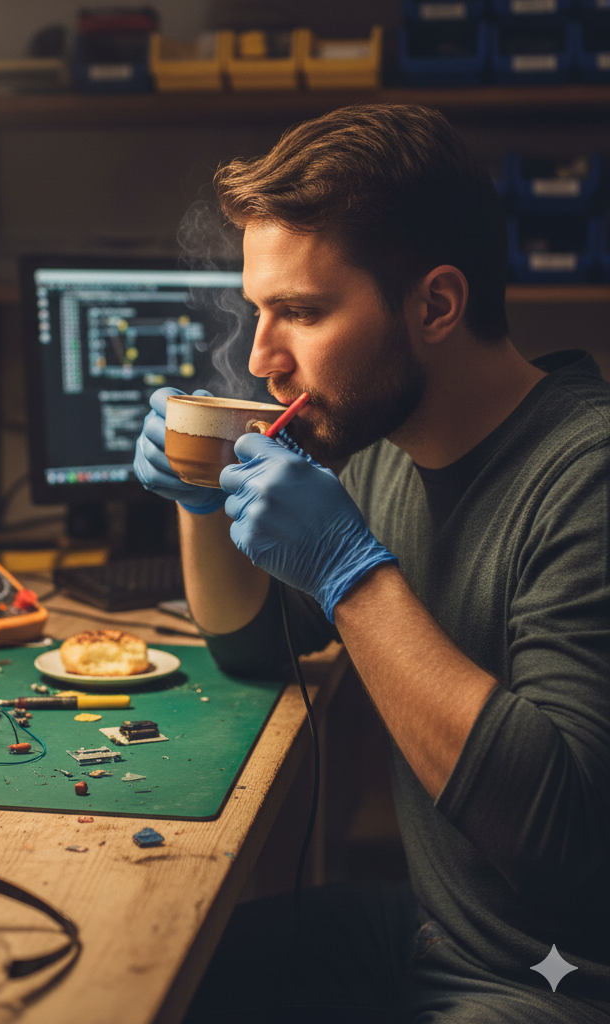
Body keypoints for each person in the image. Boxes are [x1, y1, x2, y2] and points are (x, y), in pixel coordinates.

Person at [133, 104, 610, 1023]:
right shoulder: (389, 452)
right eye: (258, 313)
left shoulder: (585, 476)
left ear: (436, 304)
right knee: (142, 985)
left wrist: (350, 570)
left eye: (302, 313)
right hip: (439, 936)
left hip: (554, 982)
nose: (264, 357)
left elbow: (555, 831)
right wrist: (202, 500)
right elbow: (254, 643)